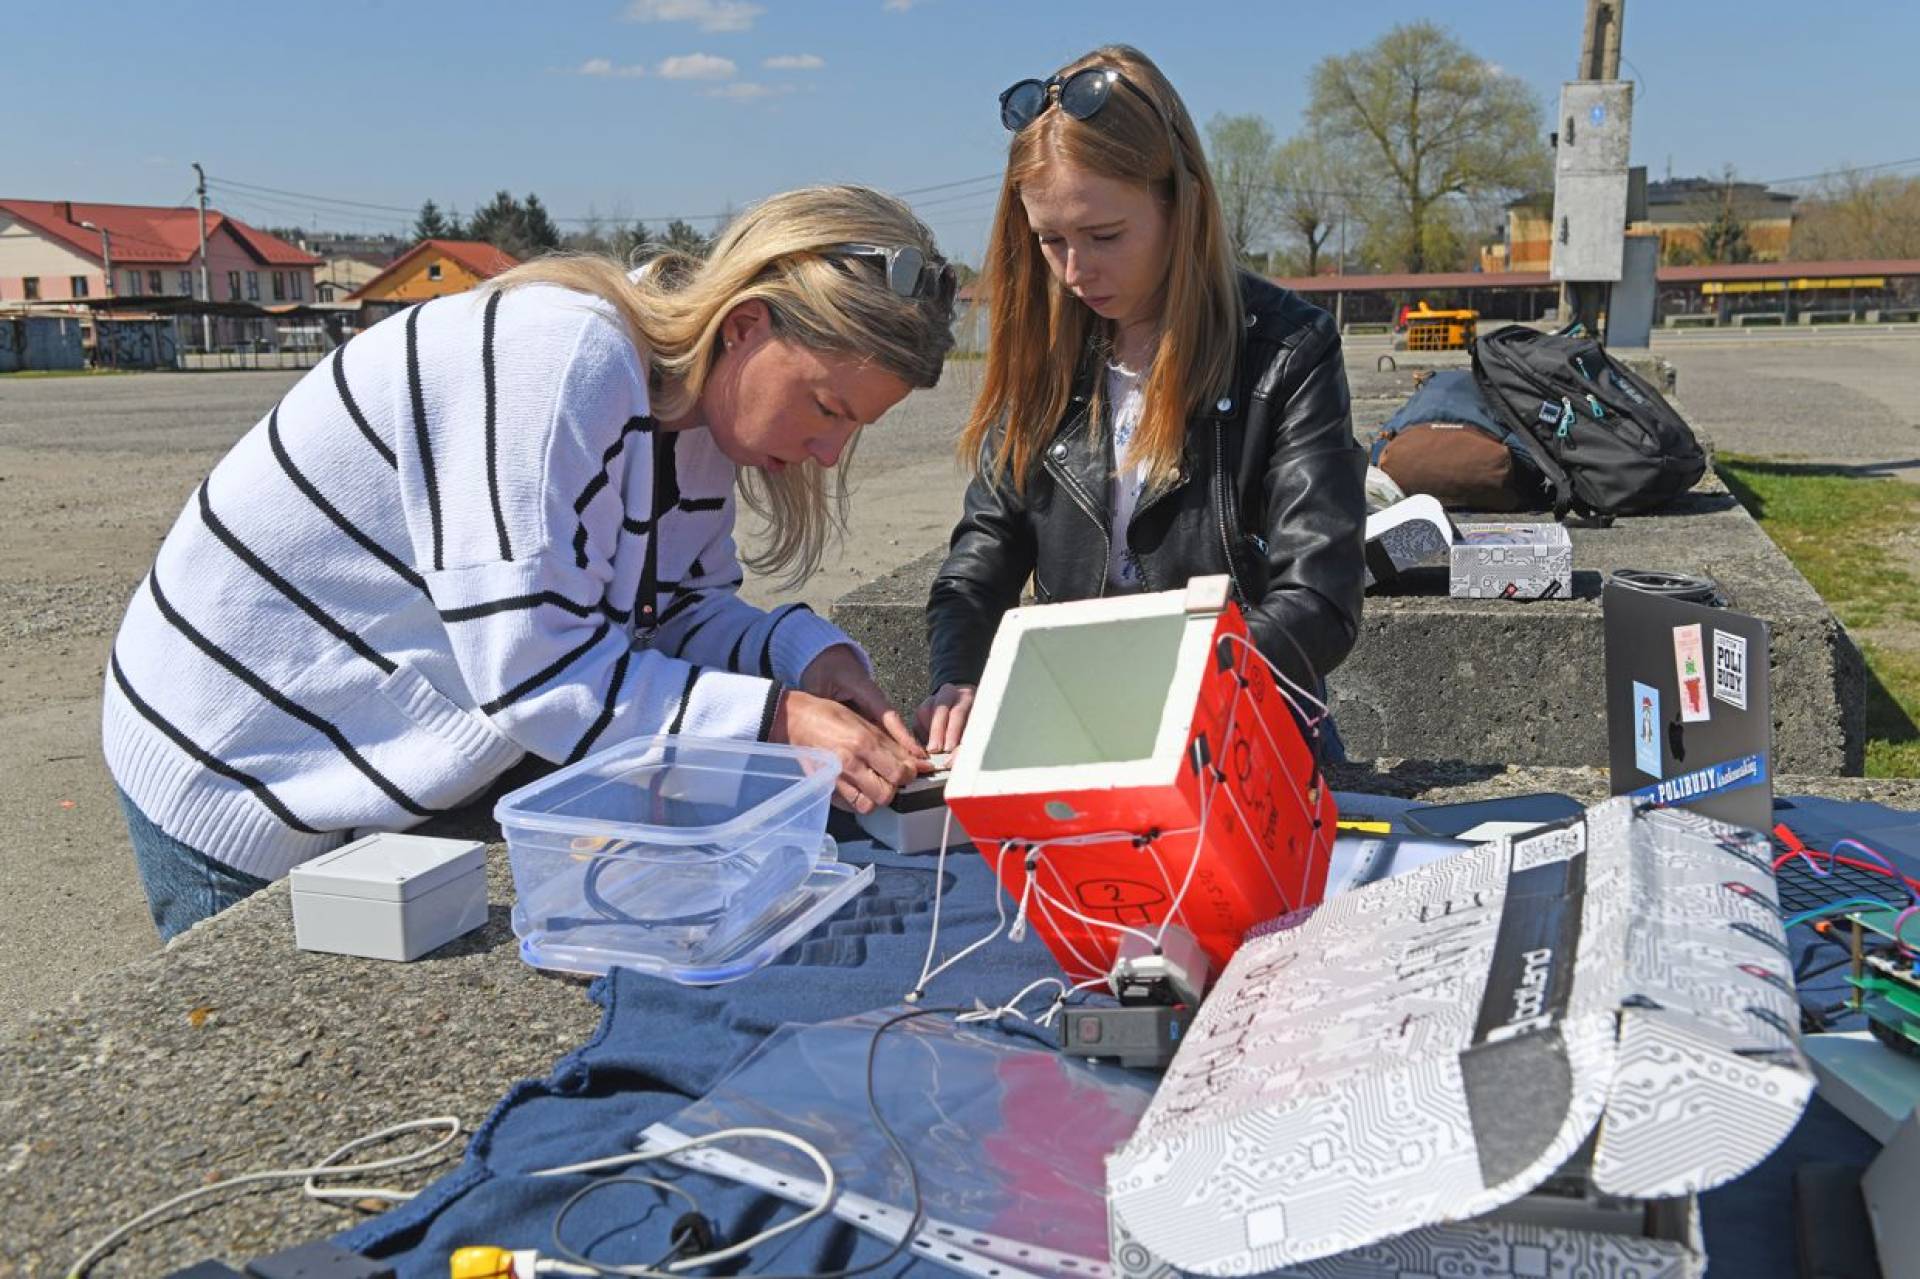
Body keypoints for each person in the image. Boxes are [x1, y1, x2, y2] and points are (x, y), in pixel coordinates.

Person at [103, 185, 957, 938]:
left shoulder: (695, 420)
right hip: (249, 763)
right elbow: (537, 681)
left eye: (856, 428)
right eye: (826, 408)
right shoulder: (557, 360)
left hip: (361, 753)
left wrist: (803, 658)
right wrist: (779, 719)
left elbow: (677, 615)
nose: (828, 451)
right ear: (745, 326)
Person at [916, 45, 1366, 754]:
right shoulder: (1045, 350)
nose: (1073, 271)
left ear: (1180, 203)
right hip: (1075, 732)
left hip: (1243, 737)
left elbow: (1318, 597)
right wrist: (960, 675)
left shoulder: (1288, 349)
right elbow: (984, 554)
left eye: (1104, 235)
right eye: (1049, 239)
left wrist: (1172, 690)